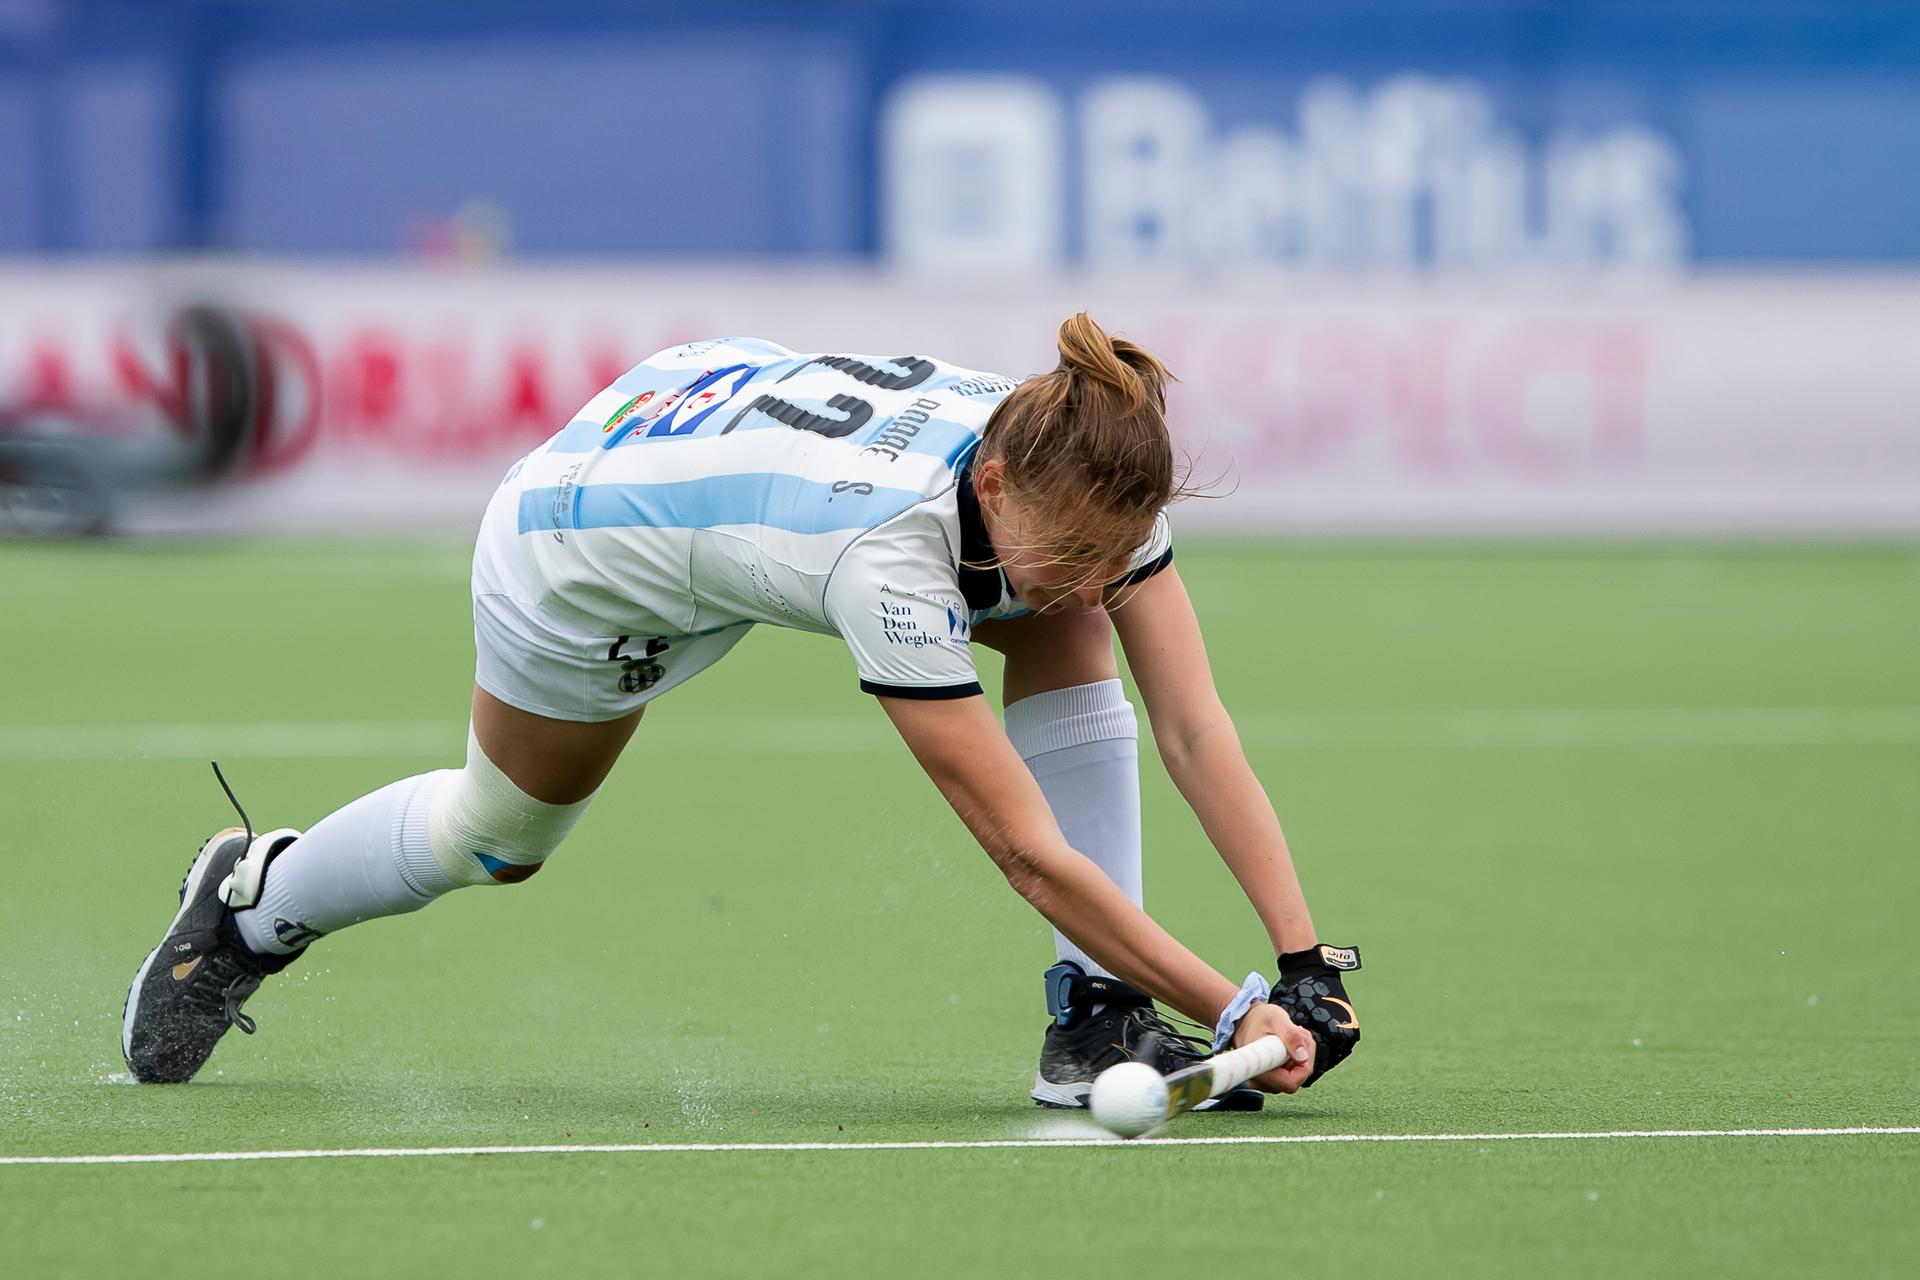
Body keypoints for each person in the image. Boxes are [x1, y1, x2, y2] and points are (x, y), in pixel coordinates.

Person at [121, 315, 1363, 1108]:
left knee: (1058, 615)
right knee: (496, 838)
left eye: (1118, 550)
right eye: (1075, 548)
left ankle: (1095, 1017)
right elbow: (1026, 849)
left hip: (728, 434)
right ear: (992, 478)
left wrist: (1304, 959)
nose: (1101, 574)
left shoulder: (1084, 460)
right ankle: (256, 900)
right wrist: (1233, 1003)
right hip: (587, 538)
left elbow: (1193, 727)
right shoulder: (887, 553)